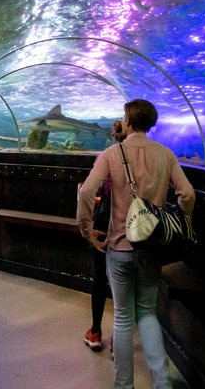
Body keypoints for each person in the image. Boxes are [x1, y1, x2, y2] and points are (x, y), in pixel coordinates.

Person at [77, 99, 196, 389]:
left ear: (128, 121)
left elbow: (87, 191)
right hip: (151, 250)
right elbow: (187, 194)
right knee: (147, 314)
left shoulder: (111, 153)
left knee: (122, 316)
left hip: (118, 248)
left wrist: (87, 229)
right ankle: (162, 383)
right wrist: (180, 218)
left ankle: (124, 385)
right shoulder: (166, 154)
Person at [79, 120, 126, 352]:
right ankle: (120, 337)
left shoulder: (106, 155)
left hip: (104, 221)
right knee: (126, 283)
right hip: (133, 225)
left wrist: (86, 228)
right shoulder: (151, 154)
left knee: (100, 279)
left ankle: (95, 331)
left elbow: (89, 189)